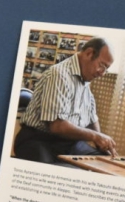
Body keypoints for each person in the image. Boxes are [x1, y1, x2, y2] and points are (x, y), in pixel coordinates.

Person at [14, 37, 116, 165]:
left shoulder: (85, 78)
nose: (102, 73)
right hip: (39, 140)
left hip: (70, 143)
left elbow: (91, 118)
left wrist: (102, 144)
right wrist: (95, 136)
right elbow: (58, 126)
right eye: (102, 65)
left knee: (105, 163)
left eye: (107, 69)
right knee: (48, 175)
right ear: (89, 53)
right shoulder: (58, 74)